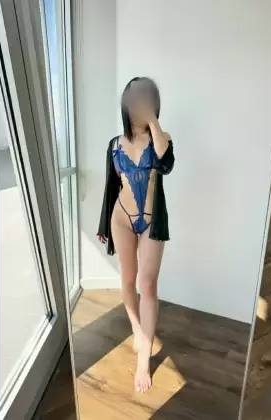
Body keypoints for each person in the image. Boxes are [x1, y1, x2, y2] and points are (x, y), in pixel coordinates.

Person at [97, 77, 175, 393]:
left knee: (149, 284)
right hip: (122, 219)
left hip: (151, 222)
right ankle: (137, 329)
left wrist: (152, 120)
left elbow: (166, 164)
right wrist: (103, 226)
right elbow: (111, 187)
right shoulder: (114, 145)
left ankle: (145, 359)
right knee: (128, 280)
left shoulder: (162, 139)